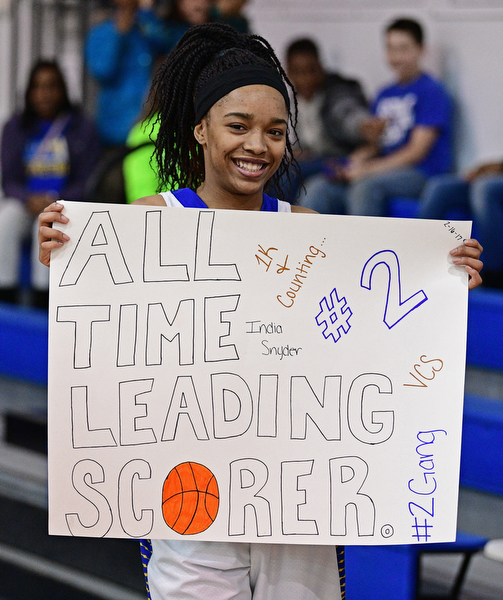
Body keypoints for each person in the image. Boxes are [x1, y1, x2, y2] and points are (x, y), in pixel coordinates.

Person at [38, 23, 483, 600]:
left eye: (276, 131)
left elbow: (369, 340)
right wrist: (64, 254)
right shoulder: (148, 222)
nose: (258, 145)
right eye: (238, 126)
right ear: (201, 129)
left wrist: (442, 281)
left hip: (297, 502)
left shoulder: (311, 231)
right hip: (190, 497)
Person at [301, 18, 453, 217]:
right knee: (318, 187)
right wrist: (354, 163)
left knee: (365, 188)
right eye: (390, 48)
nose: (396, 57)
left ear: (421, 50)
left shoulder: (432, 91)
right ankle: (308, 247)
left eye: (403, 49)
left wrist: (369, 169)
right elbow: (374, 145)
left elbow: (416, 151)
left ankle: (363, 248)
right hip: (382, 168)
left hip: (421, 173)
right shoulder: (384, 93)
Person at [0, 59, 101, 307]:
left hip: (63, 204)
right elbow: (9, 179)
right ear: (29, 92)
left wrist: (55, 199)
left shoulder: (82, 128)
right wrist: (27, 198)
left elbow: (87, 180)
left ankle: (41, 300)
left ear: (63, 90)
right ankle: (6, 296)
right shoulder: (16, 126)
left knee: (47, 227)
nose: (44, 94)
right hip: (26, 203)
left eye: (51, 86)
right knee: (6, 221)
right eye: (38, 87)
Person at [281, 37, 376, 203]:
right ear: (288, 72)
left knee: (290, 173)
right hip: (315, 161)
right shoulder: (292, 100)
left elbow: (347, 115)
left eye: (311, 70)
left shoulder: (337, 91)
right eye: (298, 72)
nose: (306, 79)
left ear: (321, 67)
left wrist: (362, 126)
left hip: (343, 160)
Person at [85, 0, 178, 147]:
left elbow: (169, 47)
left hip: (148, 129)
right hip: (114, 132)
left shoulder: (146, 30)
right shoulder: (101, 33)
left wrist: (147, 12)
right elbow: (102, 71)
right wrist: (119, 34)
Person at [419, 161, 503, 289]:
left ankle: (495, 274)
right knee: (439, 186)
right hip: (481, 174)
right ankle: (416, 256)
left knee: (485, 187)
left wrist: (493, 168)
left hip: (493, 176)